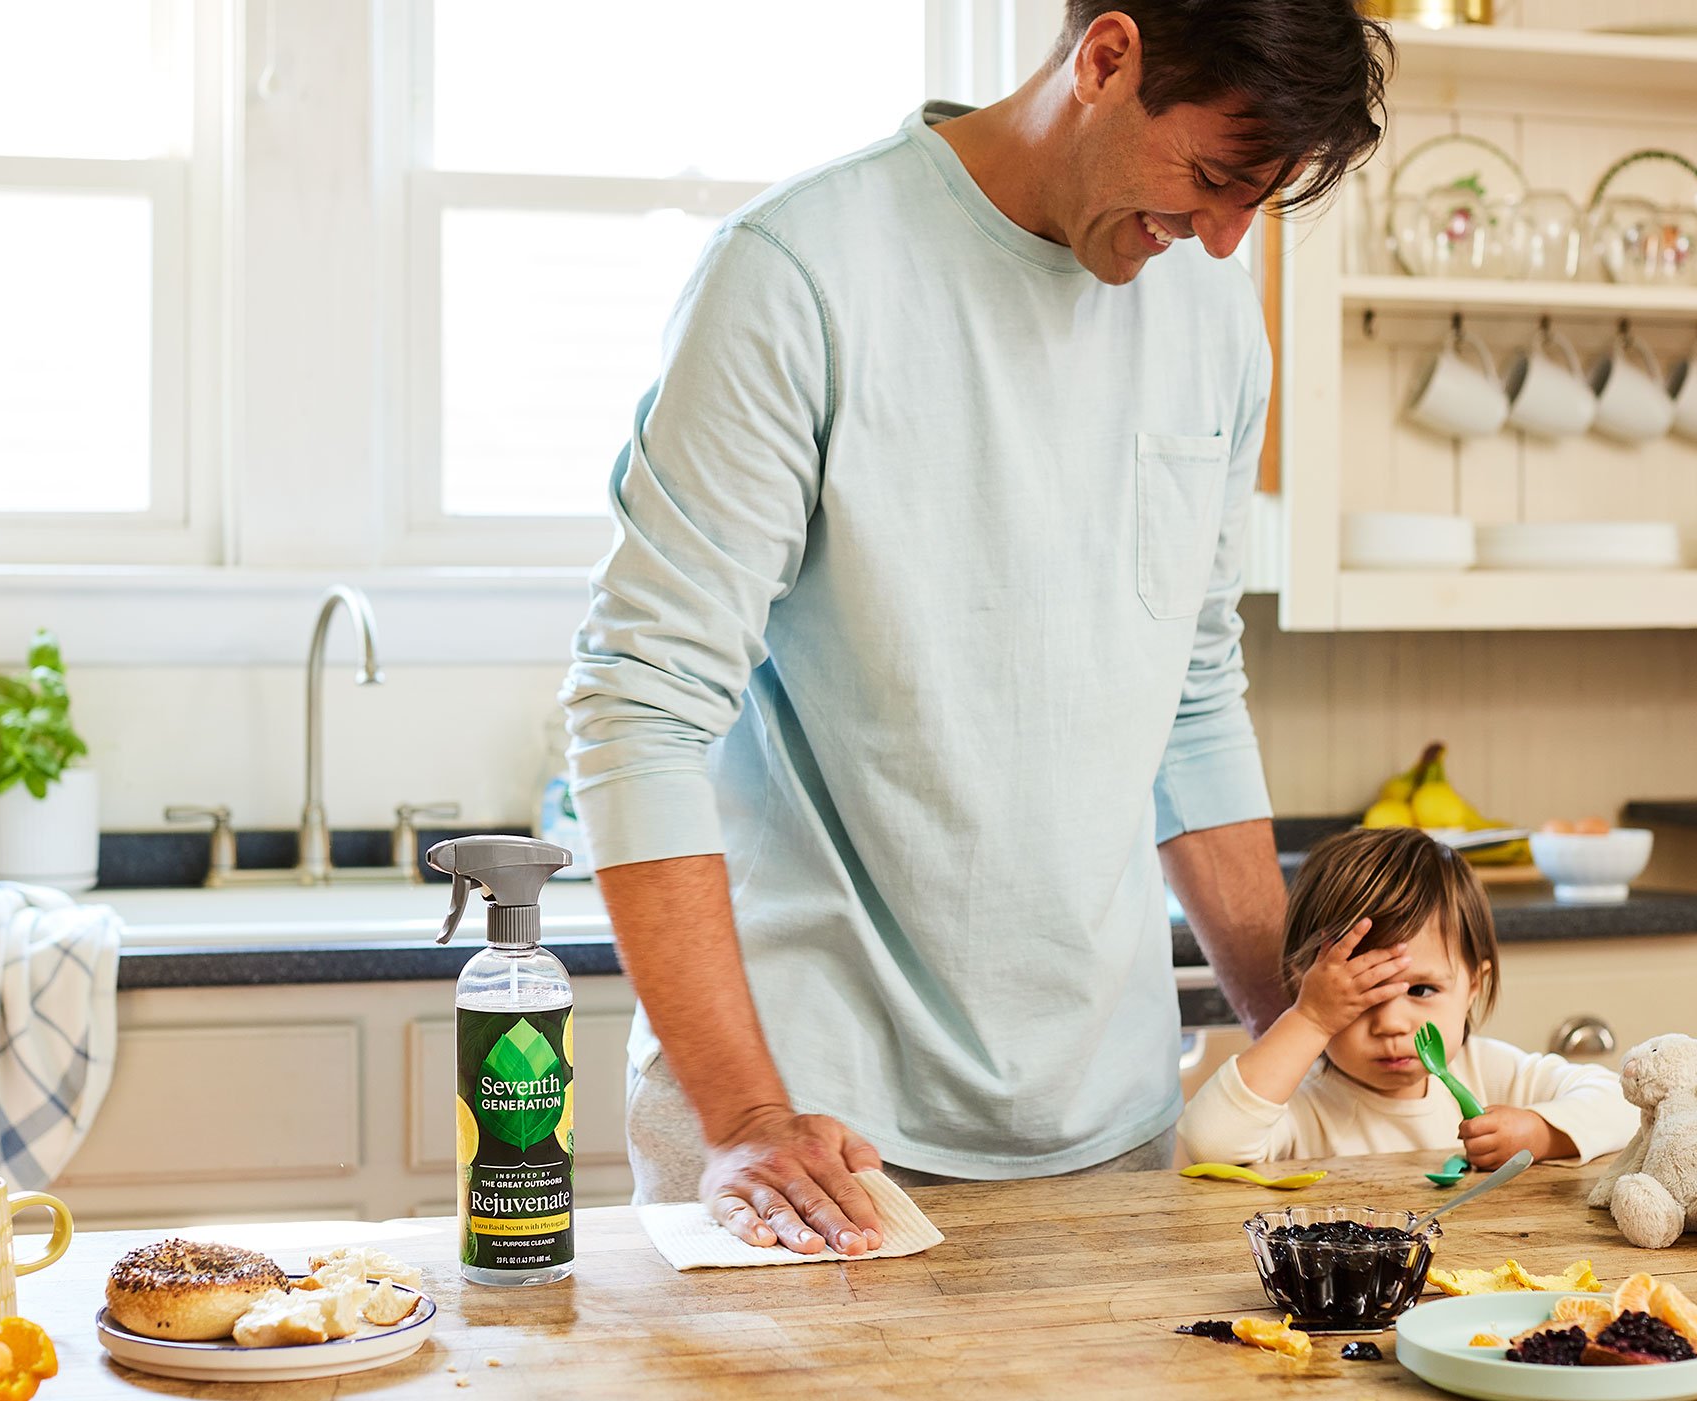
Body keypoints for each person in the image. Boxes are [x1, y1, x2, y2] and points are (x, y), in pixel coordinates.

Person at [561, 0, 1391, 1255]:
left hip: (1108, 1123)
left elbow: (1194, 691)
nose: (1225, 242)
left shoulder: (1210, 312)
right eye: (1216, 180)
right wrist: (743, 1116)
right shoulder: (800, 274)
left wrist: (1312, 1028)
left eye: (1256, 203)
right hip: (808, 1139)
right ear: (1107, 60)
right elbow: (638, 706)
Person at [1177, 826, 1639, 1167]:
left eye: (1421, 990)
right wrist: (1310, 1020)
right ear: (1308, 988)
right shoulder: (1303, 1102)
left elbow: (1623, 1102)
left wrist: (1540, 1132)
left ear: (1472, 986)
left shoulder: (1487, 1072)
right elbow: (1208, 1142)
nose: (1392, 1023)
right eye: (1360, 996)